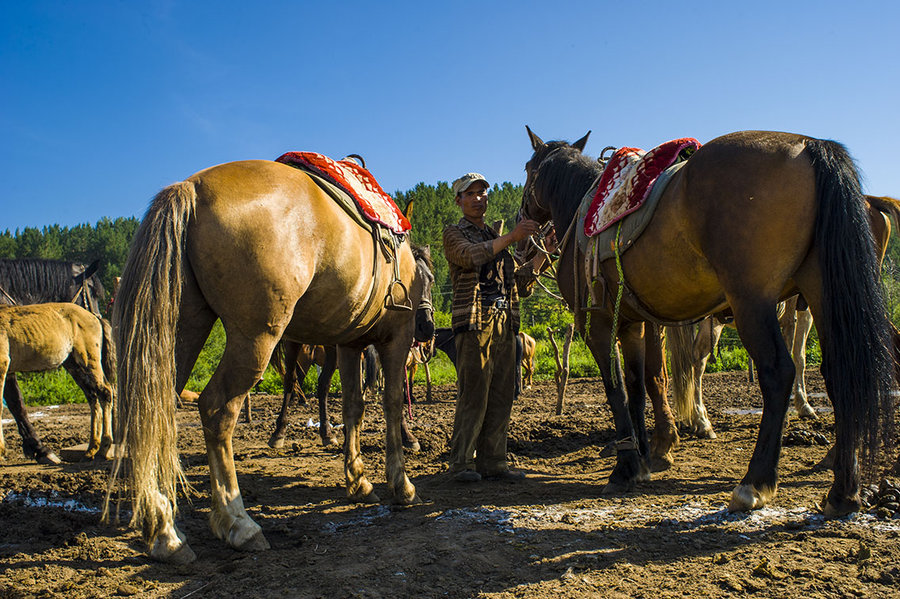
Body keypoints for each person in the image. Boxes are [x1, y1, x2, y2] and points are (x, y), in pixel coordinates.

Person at [442, 172, 549, 482]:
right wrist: (513, 238)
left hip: (505, 321)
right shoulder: (454, 233)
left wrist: (544, 253)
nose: (478, 198)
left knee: (503, 392)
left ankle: (493, 461)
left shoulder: (495, 236)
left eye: (482, 193)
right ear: (459, 200)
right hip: (476, 321)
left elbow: (521, 283)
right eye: (471, 193)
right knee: (474, 393)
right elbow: (468, 257)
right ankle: (461, 463)